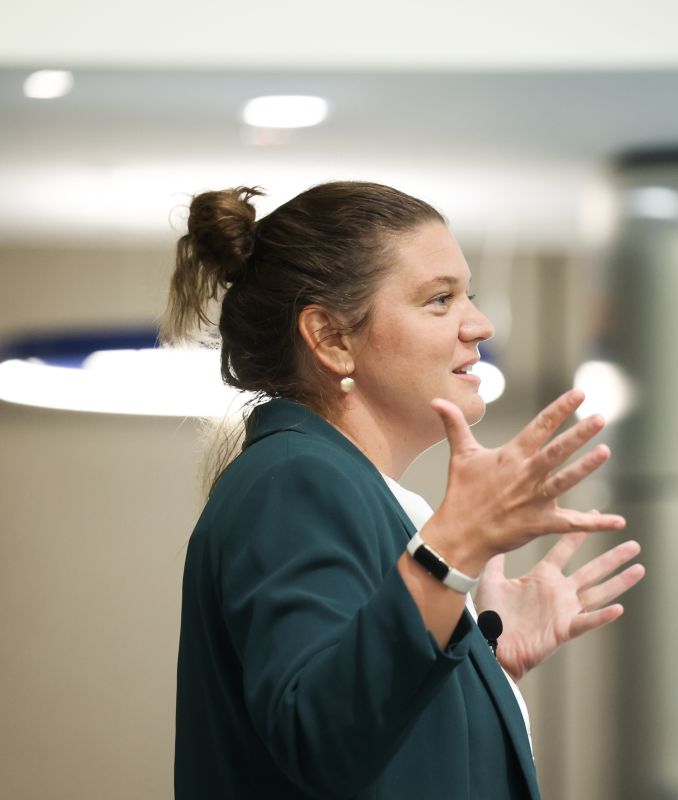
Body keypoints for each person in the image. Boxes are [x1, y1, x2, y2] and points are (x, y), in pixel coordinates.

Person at [166, 181, 645, 799]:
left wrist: (485, 657)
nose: (480, 323)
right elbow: (319, 734)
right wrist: (451, 553)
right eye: (440, 299)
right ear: (333, 339)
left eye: (466, 294)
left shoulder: (354, 489)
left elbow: (372, 719)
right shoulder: (295, 481)